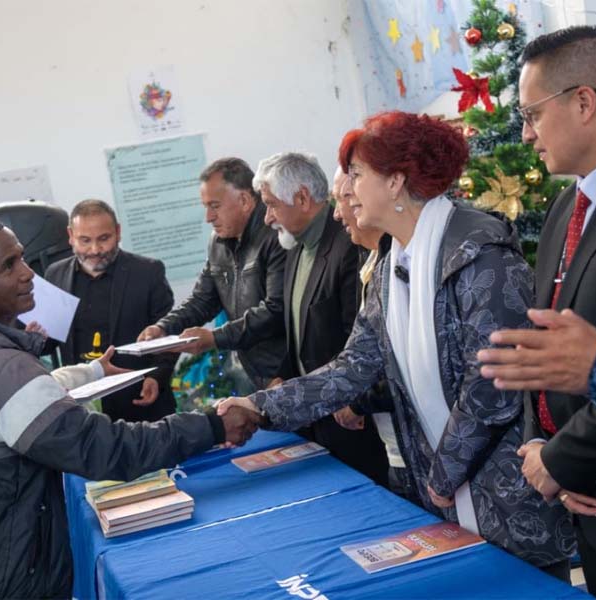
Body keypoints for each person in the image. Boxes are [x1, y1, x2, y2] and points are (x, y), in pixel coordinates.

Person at [219, 111, 575, 574]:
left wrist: (444, 474)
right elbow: (351, 367)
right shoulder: (391, 268)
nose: (346, 189)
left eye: (358, 174)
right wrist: (259, 406)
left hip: (505, 498)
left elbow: (493, 386)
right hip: (444, 495)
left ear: (395, 182)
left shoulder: (480, 254)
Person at [0, 217, 260, 599]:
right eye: (8, 266)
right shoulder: (1, 371)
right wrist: (212, 425)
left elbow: (9, 404)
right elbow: (108, 448)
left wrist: (93, 370)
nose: (28, 274)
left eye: (22, 258)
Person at [479, 26, 596, 598]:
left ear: (583, 101)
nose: (527, 133)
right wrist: (544, 453)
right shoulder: (568, 204)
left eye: (532, 114)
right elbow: (549, 349)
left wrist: (563, 460)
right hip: (585, 504)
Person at [254, 150, 392, 487]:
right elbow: (300, 330)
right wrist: (282, 375)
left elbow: (359, 339)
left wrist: (354, 401)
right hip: (317, 419)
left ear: (301, 198)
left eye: (272, 205)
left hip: (354, 420)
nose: (268, 218)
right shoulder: (296, 247)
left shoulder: (348, 245)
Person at [139, 157, 286, 391]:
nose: (208, 217)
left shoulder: (276, 236)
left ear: (246, 200)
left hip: (287, 371)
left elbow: (276, 311)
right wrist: (164, 327)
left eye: (215, 206)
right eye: (205, 206)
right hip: (255, 373)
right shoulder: (218, 241)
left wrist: (214, 338)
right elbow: (203, 299)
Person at [46, 199, 178, 422]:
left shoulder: (148, 272)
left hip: (140, 399)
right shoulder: (55, 274)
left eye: (104, 239)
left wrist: (157, 377)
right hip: (80, 406)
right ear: (71, 236)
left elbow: (169, 334)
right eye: (85, 241)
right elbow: (50, 341)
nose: (95, 250)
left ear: (117, 232)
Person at [329, 167, 413, 499]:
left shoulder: (401, 263)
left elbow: (403, 363)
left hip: (418, 444)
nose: (338, 213)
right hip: (393, 443)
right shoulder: (372, 263)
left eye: (345, 198)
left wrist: (357, 400)